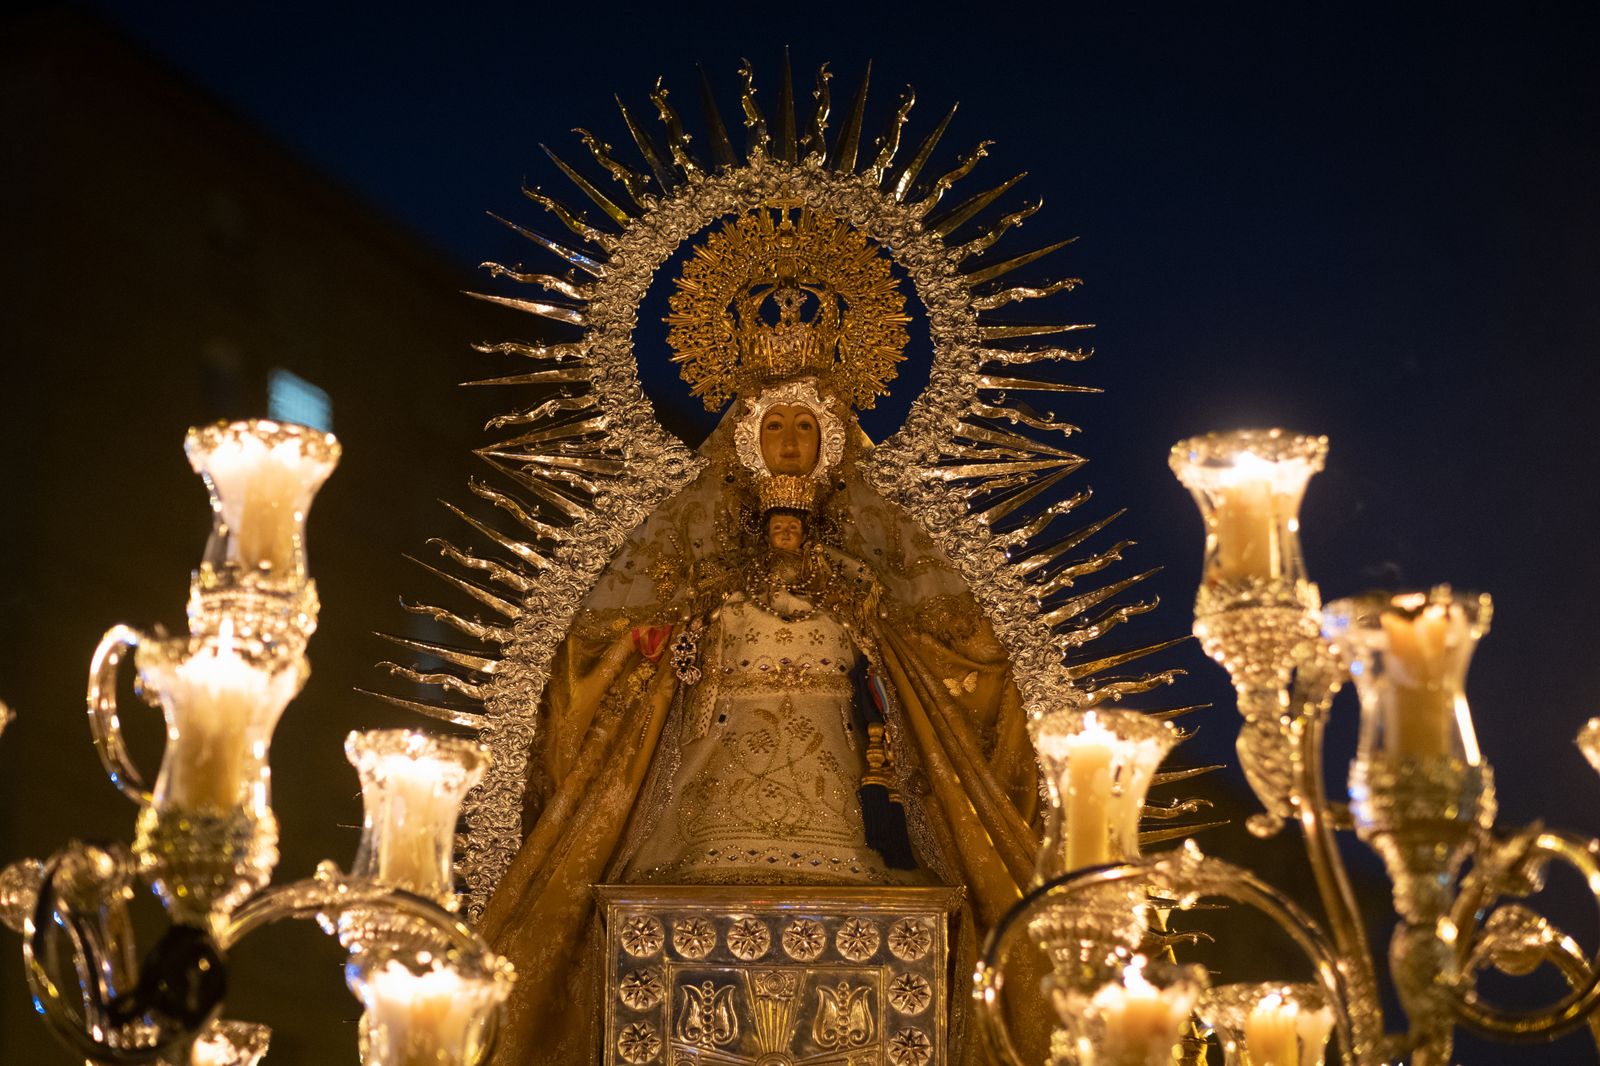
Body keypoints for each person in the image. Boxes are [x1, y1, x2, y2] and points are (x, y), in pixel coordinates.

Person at [479, 254, 1043, 1064]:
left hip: (832, 788)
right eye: (773, 426)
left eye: (804, 427)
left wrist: (866, 614)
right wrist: (683, 620)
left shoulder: (864, 567)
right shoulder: (698, 564)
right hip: (714, 785)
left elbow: (934, 661)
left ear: (830, 442)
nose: (788, 441)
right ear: (746, 443)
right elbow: (625, 652)